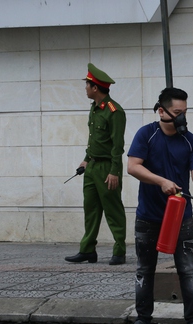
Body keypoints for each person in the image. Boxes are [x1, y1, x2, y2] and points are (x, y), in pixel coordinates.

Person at [125, 87, 193, 324]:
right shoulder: (146, 135)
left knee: (187, 269)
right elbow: (133, 167)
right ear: (161, 111)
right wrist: (161, 181)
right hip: (148, 215)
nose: (181, 118)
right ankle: (142, 319)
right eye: (177, 112)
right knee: (145, 269)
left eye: (184, 113)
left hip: (181, 217)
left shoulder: (190, 141)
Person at [65, 63, 127, 266]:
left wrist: (114, 171)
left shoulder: (114, 111)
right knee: (90, 209)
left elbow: (117, 145)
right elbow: (95, 140)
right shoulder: (94, 109)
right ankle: (88, 250)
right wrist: (86, 159)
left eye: (87, 85)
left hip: (107, 168)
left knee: (113, 209)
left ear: (95, 88)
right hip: (92, 167)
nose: (85, 88)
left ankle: (119, 250)